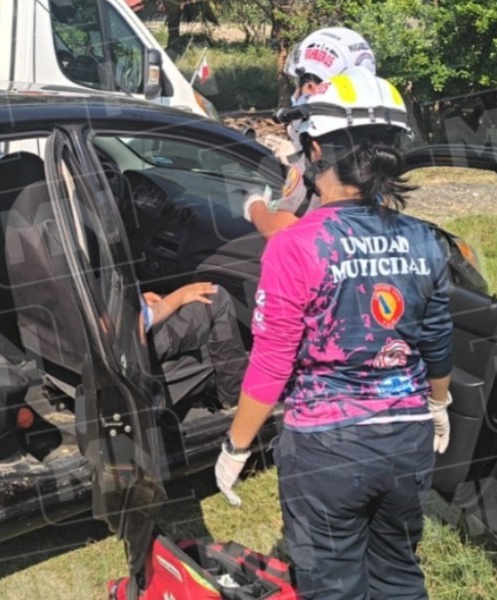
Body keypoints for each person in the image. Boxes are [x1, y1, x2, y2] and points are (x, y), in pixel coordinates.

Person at [215, 68, 453, 599]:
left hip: (326, 448)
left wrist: (237, 445)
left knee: (332, 585)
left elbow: (273, 360)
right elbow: (436, 334)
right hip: (407, 438)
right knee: (398, 573)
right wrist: (438, 404)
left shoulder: (296, 245)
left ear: (316, 148)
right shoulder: (424, 239)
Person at [248, 27, 377, 239]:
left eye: (301, 86)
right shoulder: (371, 145)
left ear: (310, 88)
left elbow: (278, 234)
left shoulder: (315, 159)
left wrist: (254, 205)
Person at [141, 282, 247, 411]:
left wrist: (140, 300)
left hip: (137, 319)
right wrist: (181, 295)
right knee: (216, 297)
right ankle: (237, 398)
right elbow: (143, 321)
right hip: (139, 339)